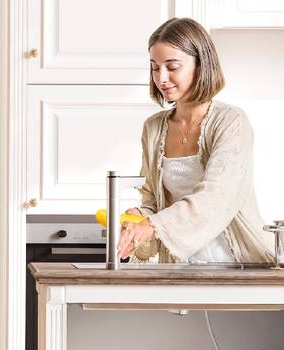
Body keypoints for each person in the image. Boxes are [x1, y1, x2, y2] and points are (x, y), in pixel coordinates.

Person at [117, 17, 274, 264]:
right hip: (180, 266)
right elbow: (152, 199)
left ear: (201, 65)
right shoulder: (154, 127)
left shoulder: (231, 122)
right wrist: (140, 215)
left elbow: (218, 195)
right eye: (155, 67)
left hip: (236, 264)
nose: (162, 78)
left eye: (172, 66)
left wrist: (152, 224)